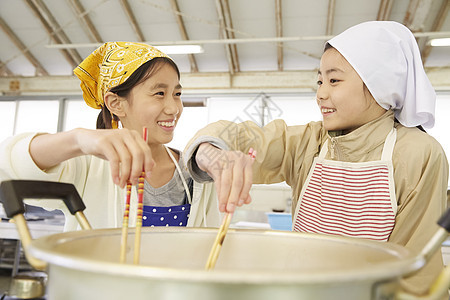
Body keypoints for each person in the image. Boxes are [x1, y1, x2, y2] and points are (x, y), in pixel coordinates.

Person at [183, 21, 449, 296]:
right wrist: (211, 153)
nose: (321, 93)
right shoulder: (310, 142)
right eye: (320, 81)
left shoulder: (418, 154)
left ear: (378, 83)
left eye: (334, 80)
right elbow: (238, 136)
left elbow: (416, 272)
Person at [0, 42, 222, 231]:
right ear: (116, 103)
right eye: (159, 93)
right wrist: (78, 139)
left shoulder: (195, 170)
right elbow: (10, 167)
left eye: (177, 94)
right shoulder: (87, 167)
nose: (174, 108)